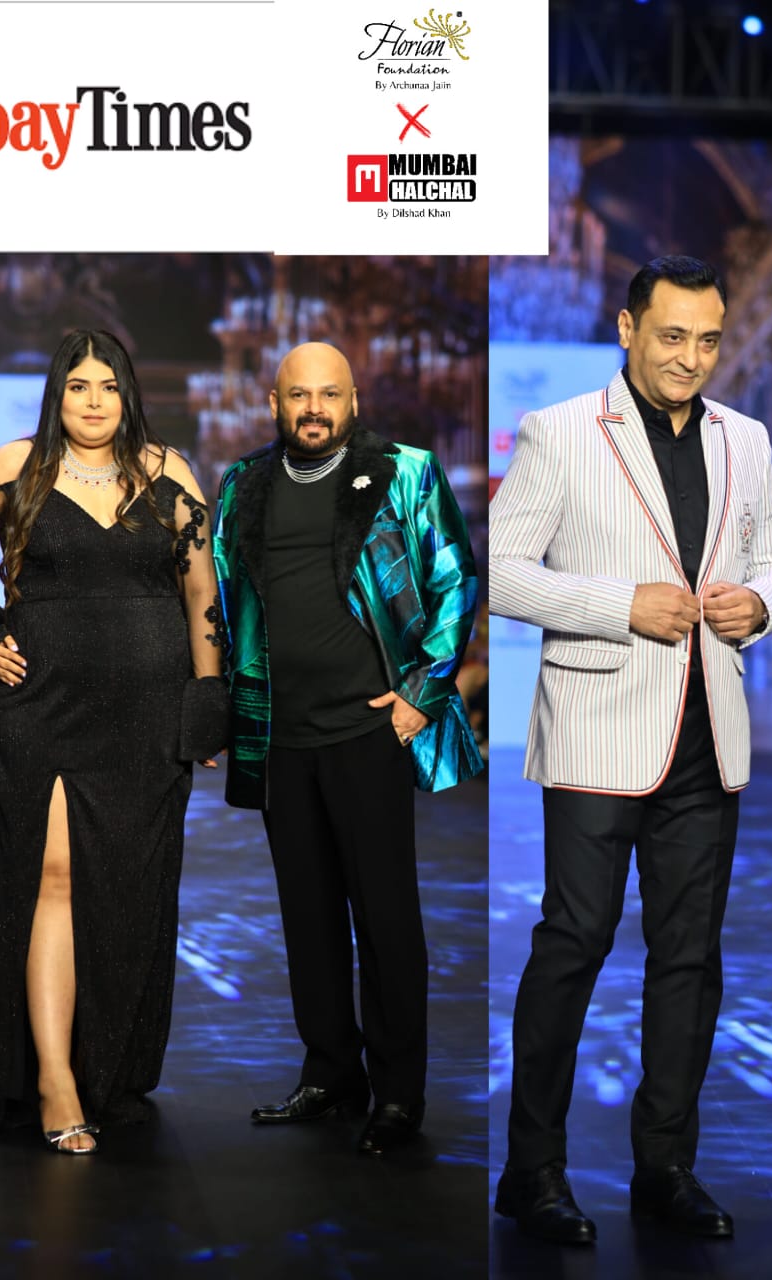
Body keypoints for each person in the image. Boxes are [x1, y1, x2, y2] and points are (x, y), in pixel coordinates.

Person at [490, 255, 772, 1243]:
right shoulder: (560, 431)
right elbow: (500, 571)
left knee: (689, 958)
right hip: (597, 728)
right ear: (626, 329)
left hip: (707, 734)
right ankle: (531, 1171)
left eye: (707, 340)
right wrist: (618, 604)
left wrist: (761, 603)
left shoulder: (745, 438)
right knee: (573, 943)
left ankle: (664, 1168)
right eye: (671, 336)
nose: (690, 358)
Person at [0, 329, 226, 1154]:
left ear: (127, 394)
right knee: (55, 877)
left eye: (108, 385)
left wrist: (208, 700)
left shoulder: (170, 473)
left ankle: (108, 1065)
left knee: (131, 892)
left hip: (148, 713)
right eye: (78, 386)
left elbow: (202, 592)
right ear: (57, 395)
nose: (94, 400)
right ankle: (53, 1078)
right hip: (43, 707)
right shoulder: (19, 466)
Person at [212, 341, 482, 1155]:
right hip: (281, 736)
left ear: (354, 401)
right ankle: (331, 1072)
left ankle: (398, 1094)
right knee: (308, 915)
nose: (315, 409)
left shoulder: (405, 472)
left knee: (387, 918)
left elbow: (457, 579)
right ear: (274, 404)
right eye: (299, 395)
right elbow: (224, 602)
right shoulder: (243, 484)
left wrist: (421, 694)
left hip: (370, 731)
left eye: (330, 394)